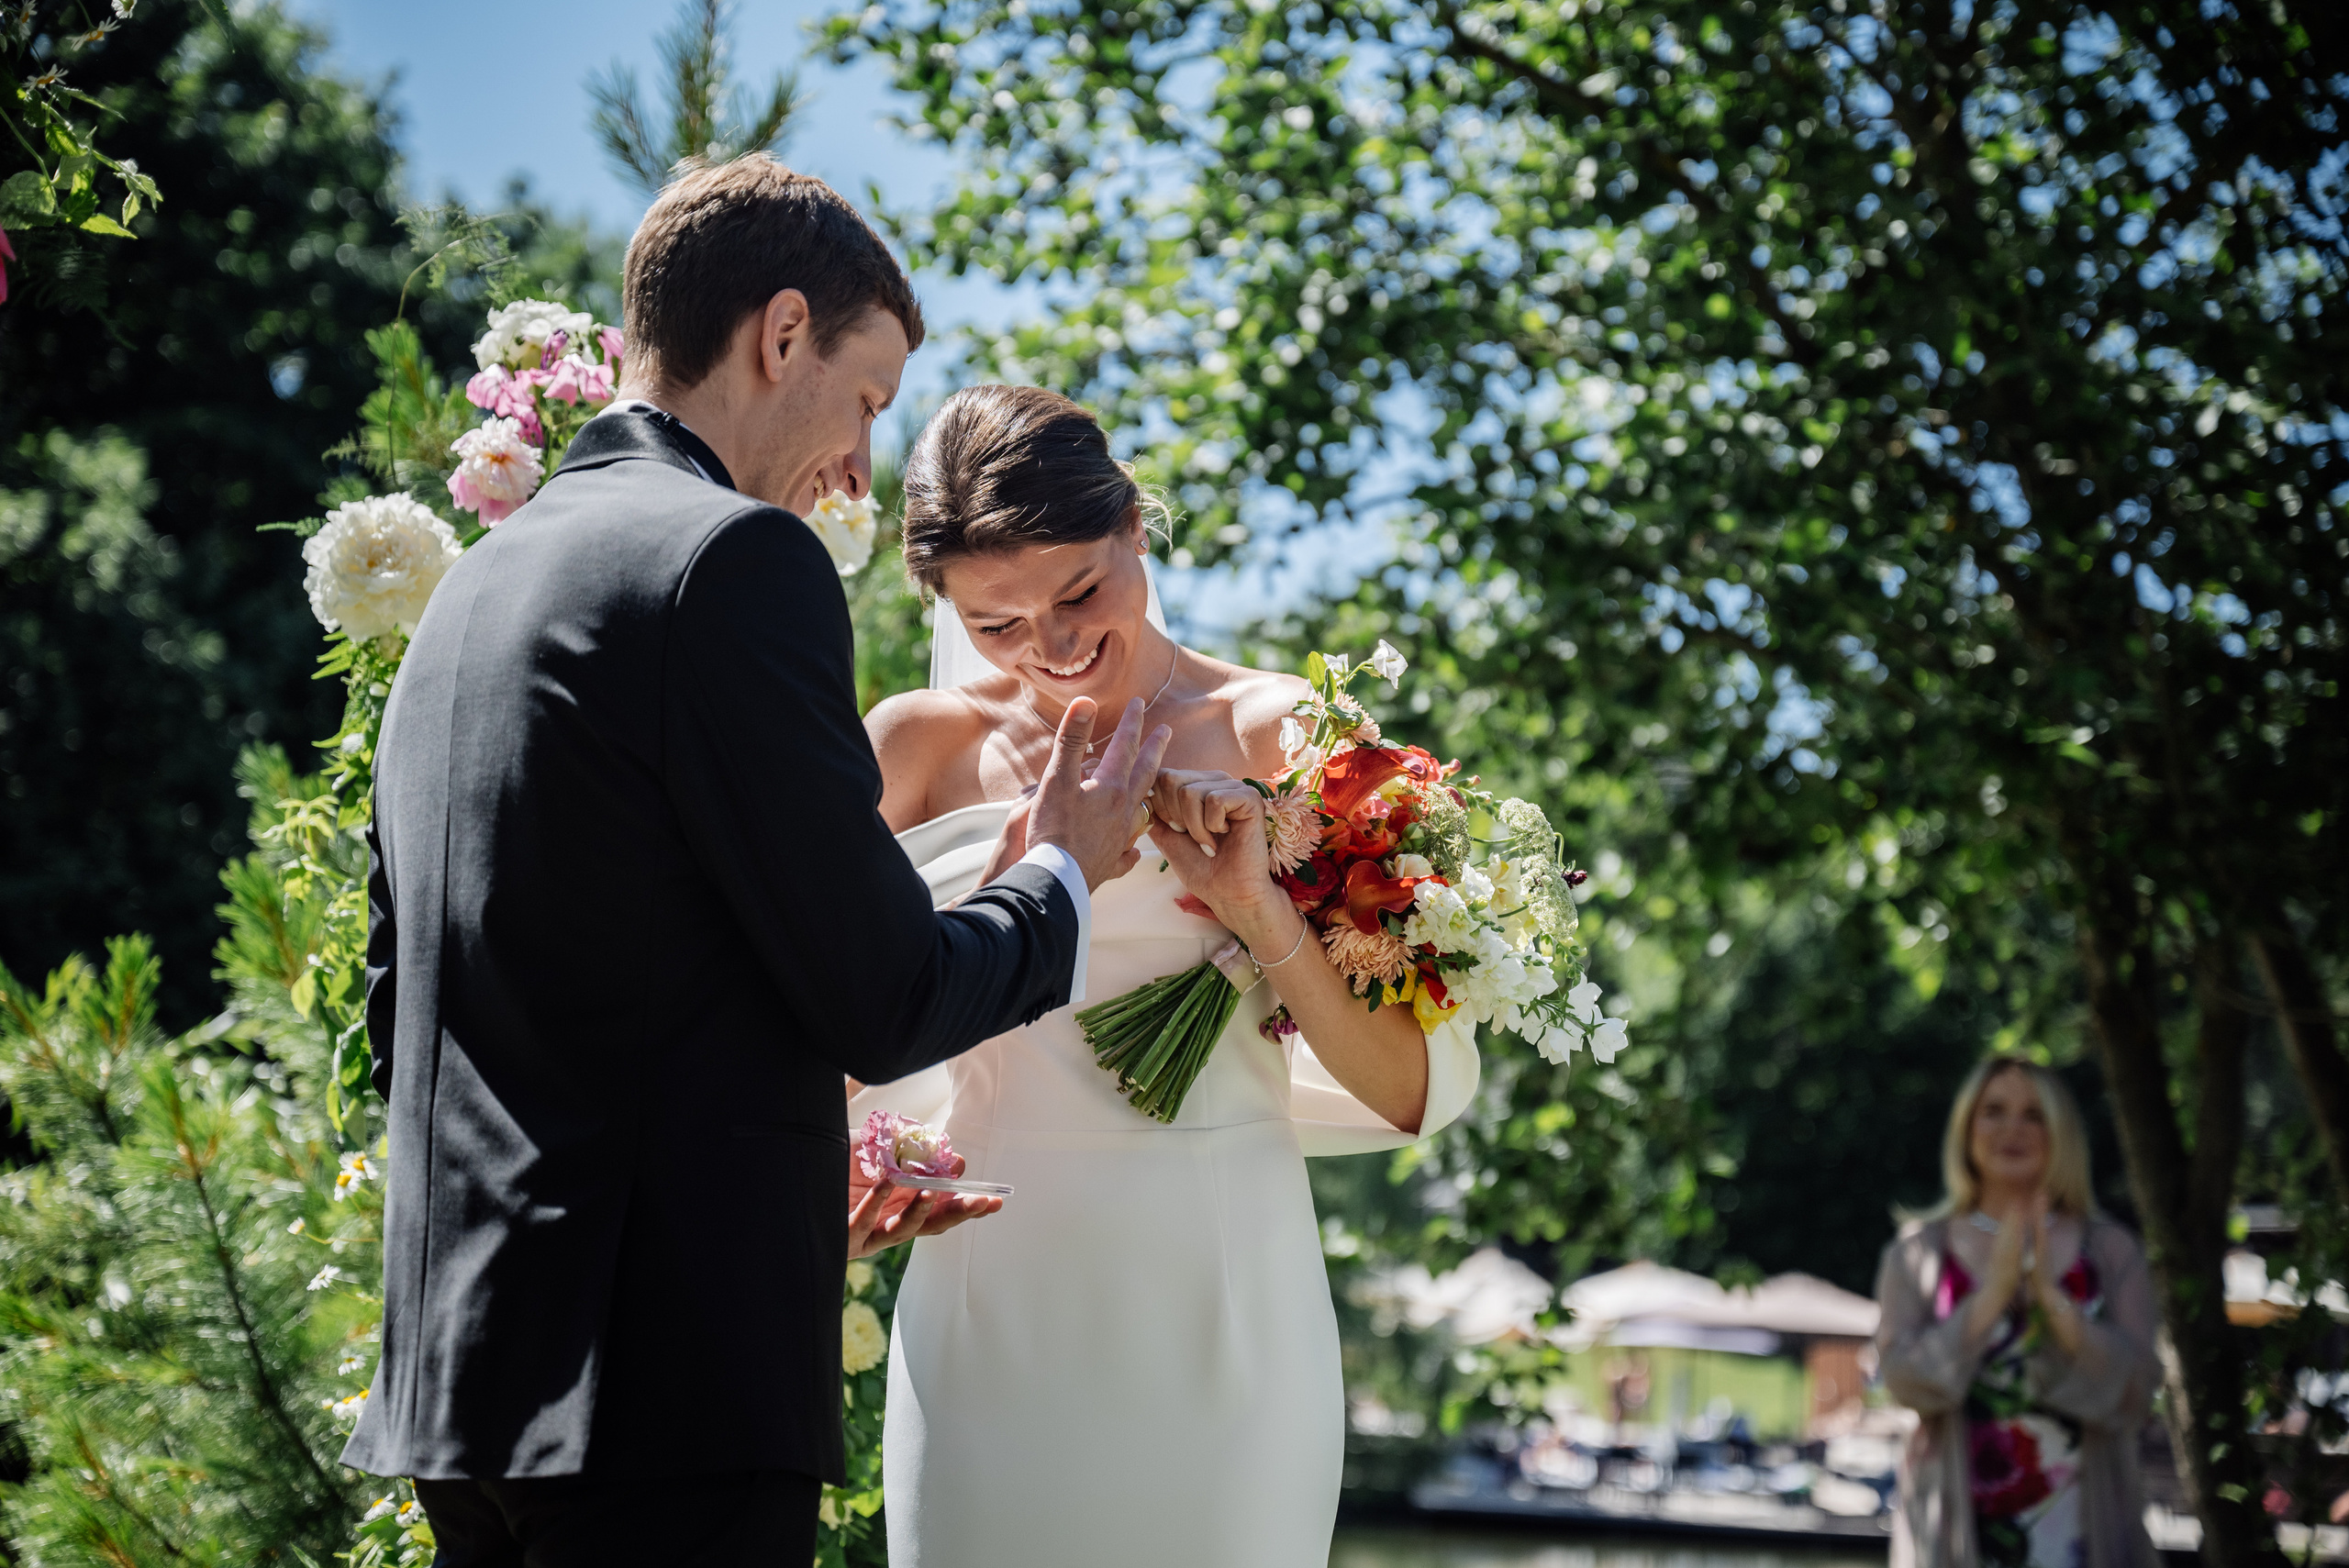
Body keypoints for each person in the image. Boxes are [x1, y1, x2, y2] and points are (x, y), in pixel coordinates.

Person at [341, 157, 1172, 1566]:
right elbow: (885, 990)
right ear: (782, 332)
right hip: (665, 1408)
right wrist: (1064, 873)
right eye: (865, 398)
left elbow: (402, 989)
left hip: (462, 1390)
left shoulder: (472, 590)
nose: (859, 464)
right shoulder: (729, 559)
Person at [853, 384, 1485, 1568]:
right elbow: (809, 1026)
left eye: (1080, 591)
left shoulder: (1290, 739)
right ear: (940, 605)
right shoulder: (913, 748)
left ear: (1136, 525)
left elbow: (1406, 1088)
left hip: (1222, 1305)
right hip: (989, 1307)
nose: (1051, 646)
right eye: (994, 622)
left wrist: (1254, 906)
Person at [1875, 1057, 2161, 1568]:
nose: (2013, 1129)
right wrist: (1991, 1297)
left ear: (2061, 1133)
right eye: (1994, 1111)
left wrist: (2053, 1300)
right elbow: (1902, 1381)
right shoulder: (1918, 1252)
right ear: (1967, 1128)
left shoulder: (2113, 1250)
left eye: (2034, 1115)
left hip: (2085, 1527)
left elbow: (2137, 1392)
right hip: (1956, 1534)